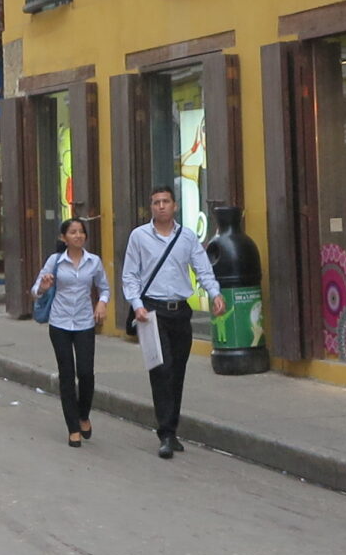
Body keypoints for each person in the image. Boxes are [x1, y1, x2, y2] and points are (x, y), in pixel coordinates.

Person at [123, 185, 224, 460]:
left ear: (175, 206)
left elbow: (202, 268)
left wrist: (214, 294)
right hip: (151, 312)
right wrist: (137, 305)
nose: (161, 206)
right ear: (151, 207)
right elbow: (130, 274)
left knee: (177, 370)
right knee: (161, 369)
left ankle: (172, 429)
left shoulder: (187, 237)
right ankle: (165, 433)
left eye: (165, 201)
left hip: (180, 310)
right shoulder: (139, 237)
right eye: (156, 202)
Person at [34, 218, 111, 447]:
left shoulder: (93, 262)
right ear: (63, 238)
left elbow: (104, 287)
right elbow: (36, 289)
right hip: (59, 323)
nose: (78, 235)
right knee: (67, 375)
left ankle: (83, 414)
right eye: (73, 232)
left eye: (81, 232)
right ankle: (73, 427)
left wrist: (102, 303)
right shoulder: (55, 261)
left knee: (86, 373)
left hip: (85, 323)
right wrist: (43, 287)